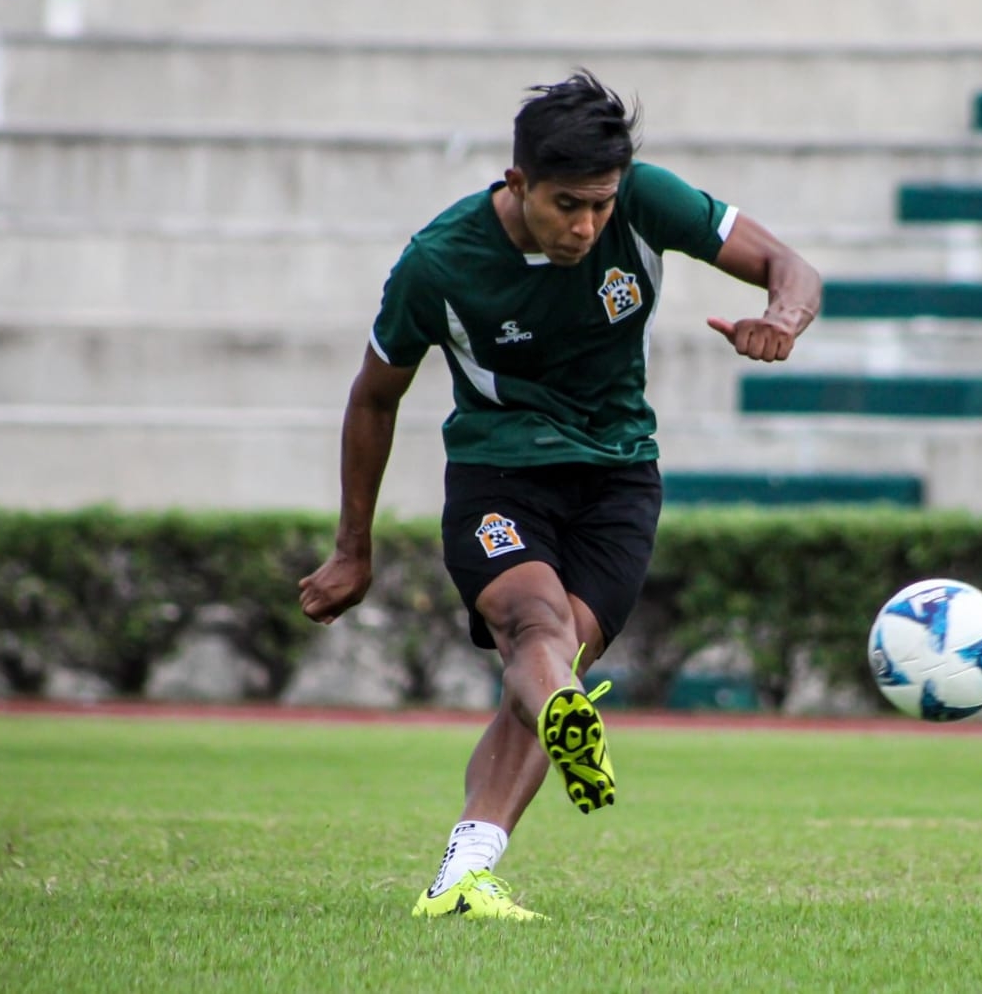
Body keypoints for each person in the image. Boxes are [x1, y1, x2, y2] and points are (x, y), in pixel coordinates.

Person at [296, 70, 822, 921]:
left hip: (619, 474)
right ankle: (564, 720)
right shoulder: (440, 262)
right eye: (567, 205)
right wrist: (353, 545)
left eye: (601, 206)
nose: (586, 226)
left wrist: (783, 319)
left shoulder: (647, 201)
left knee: (550, 664)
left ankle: (464, 873)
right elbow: (373, 395)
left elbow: (788, 266)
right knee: (535, 629)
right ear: (517, 184)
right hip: (499, 472)